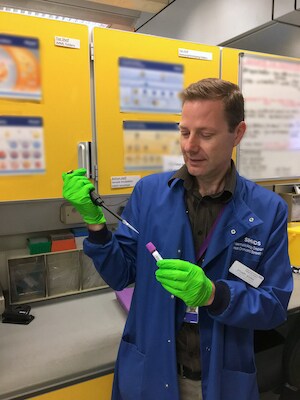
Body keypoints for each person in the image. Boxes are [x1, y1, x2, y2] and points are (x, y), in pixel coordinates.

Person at [62, 78, 293, 400]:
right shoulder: (150, 193)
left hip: (219, 379)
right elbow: (121, 274)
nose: (190, 145)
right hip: (152, 371)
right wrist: (95, 225)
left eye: (206, 134)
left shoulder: (267, 210)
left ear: (237, 133)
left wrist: (215, 294)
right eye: (184, 132)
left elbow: (272, 308)